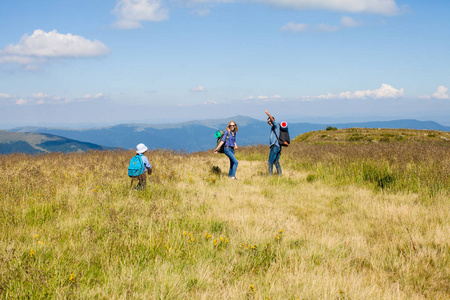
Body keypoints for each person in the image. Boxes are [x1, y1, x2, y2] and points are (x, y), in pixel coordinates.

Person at [265, 110, 282, 176]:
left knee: (270, 161)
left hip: (275, 146)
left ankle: (269, 175)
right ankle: (280, 175)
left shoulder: (276, 126)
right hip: (278, 146)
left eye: (270, 121)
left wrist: (268, 114)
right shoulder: (273, 128)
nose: (269, 122)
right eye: (268, 122)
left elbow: (273, 121)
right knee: (276, 161)